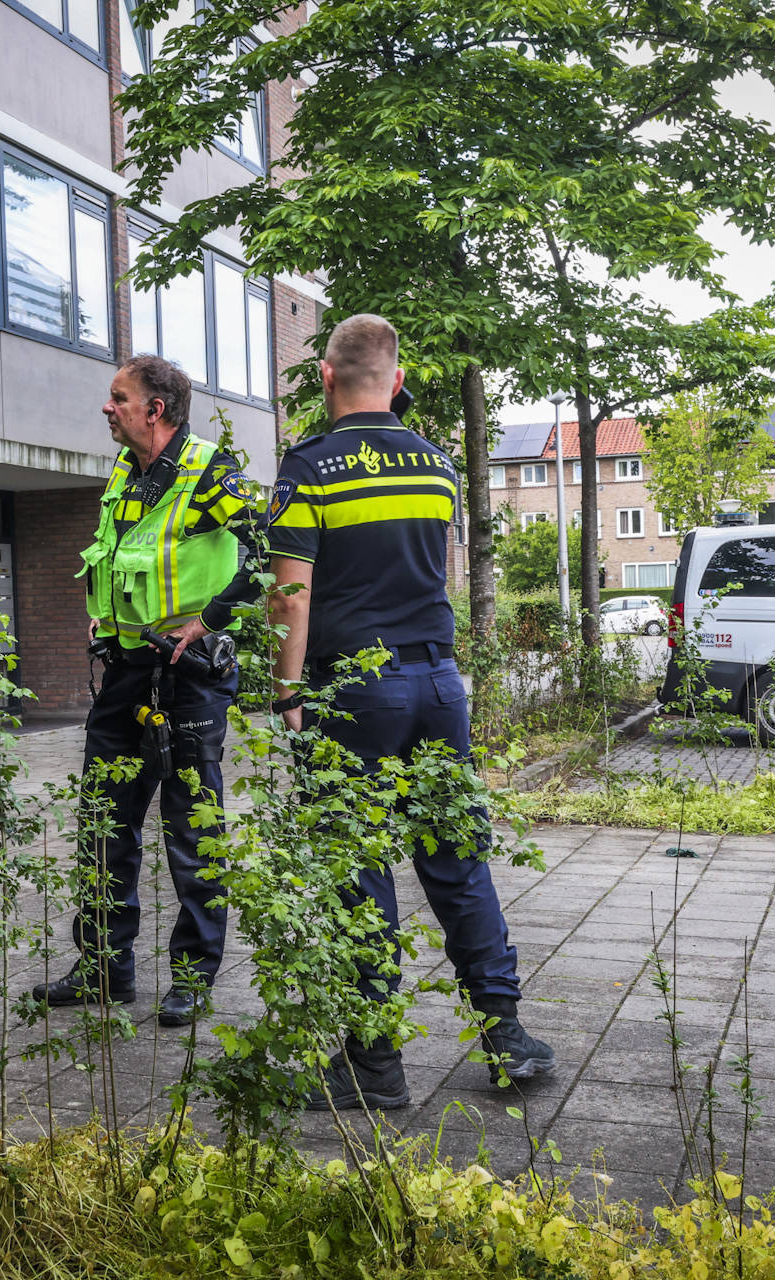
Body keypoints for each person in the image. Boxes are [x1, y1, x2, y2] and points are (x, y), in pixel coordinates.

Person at [266, 313, 555, 1111]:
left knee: (358, 870)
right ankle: (506, 1036)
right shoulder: (436, 465)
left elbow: (290, 596)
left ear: (325, 377)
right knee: (457, 859)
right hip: (439, 686)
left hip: (355, 691)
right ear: (397, 381)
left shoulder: (309, 466)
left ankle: (374, 1063)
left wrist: (286, 693)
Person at [29, 355, 257, 1027]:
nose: (108, 407)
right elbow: (121, 558)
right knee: (105, 822)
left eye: (118, 397)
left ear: (155, 409)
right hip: (126, 672)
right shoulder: (124, 472)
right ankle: (104, 968)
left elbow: (266, 548)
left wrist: (210, 620)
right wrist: (105, 615)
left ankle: (193, 976)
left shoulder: (208, 470)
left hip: (189, 675)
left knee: (192, 827)